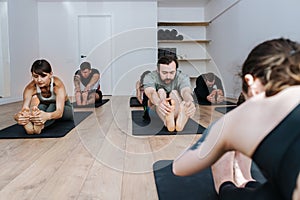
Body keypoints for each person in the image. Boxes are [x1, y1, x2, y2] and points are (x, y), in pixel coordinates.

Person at [172, 38, 300, 200]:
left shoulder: (250, 109)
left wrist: (223, 139)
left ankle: (224, 182)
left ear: (250, 81)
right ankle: (247, 180)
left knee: (230, 188)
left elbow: (179, 167)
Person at [14, 59, 74, 134]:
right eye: (35, 76)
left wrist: (47, 116)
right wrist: (19, 117)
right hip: (45, 107)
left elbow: (59, 112)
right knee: (39, 109)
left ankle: (41, 126)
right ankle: (32, 126)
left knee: (52, 105)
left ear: (50, 74)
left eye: (43, 76)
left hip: (65, 109)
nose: (39, 80)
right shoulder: (30, 88)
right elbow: (24, 109)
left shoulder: (57, 85)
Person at [143, 55, 196, 132]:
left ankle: (176, 120)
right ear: (157, 70)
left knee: (174, 93)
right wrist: (159, 103)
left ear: (176, 70)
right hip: (154, 108)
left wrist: (190, 102)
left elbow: (186, 91)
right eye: (164, 73)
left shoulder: (182, 77)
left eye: (172, 72)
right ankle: (167, 120)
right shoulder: (150, 76)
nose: (168, 76)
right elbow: (151, 93)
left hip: (174, 108)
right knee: (161, 91)